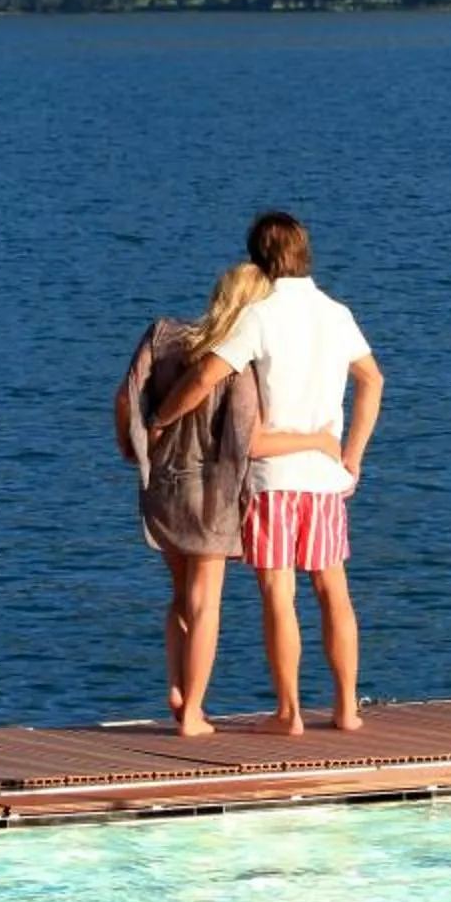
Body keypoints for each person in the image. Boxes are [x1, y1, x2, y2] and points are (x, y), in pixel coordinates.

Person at [146, 211, 382, 738]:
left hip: (272, 475)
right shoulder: (337, 314)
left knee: (279, 591)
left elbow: (206, 376)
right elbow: (372, 379)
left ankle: (289, 712)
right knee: (333, 591)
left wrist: (161, 419)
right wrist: (353, 454)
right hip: (324, 475)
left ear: (259, 258)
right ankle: (346, 707)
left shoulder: (261, 316)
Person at [114, 262, 340, 740]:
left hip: (163, 482)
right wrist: (317, 440)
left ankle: (177, 687)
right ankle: (193, 712)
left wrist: (134, 446)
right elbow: (247, 442)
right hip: (211, 493)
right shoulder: (239, 363)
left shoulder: (162, 335)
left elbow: (125, 398)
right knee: (205, 602)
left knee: (179, 595)